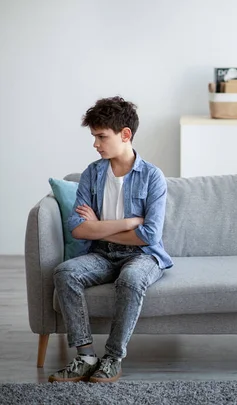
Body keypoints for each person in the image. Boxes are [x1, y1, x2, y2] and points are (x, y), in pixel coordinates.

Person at [48, 96, 173, 383]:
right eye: (94, 137)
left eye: (101, 136)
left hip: (144, 256)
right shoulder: (92, 173)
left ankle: (113, 358)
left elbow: (149, 235)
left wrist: (99, 225)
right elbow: (78, 229)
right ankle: (85, 356)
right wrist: (128, 223)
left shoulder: (153, 176)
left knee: (130, 280)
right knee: (65, 273)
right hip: (103, 254)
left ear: (125, 134)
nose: (95, 144)